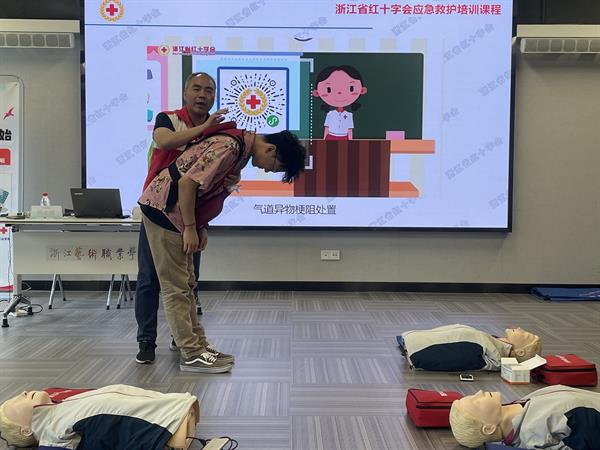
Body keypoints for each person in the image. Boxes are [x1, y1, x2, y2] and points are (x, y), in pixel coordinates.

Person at [138, 123, 306, 373]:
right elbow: (186, 184)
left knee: (187, 284)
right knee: (176, 288)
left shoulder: (240, 150)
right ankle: (191, 353)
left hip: (175, 213)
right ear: (271, 149)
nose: (268, 170)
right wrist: (191, 227)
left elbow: (205, 189)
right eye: (274, 167)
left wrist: (200, 226)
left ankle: (199, 345)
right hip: (164, 210)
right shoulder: (229, 147)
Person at [136, 71, 240, 365]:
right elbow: (164, 141)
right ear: (185, 92)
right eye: (196, 88)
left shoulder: (219, 134)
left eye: (208, 90)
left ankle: (182, 338)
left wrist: (202, 221)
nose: (202, 95)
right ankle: (146, 341)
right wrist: (205, 128)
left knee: (188, 281)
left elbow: (207, 181)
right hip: (158, 211)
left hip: (191, 215)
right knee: (149, 279)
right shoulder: (169, 118)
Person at [0, 384, 199, 449]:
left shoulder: (59, 401)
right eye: (17, 401)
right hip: (168, 426)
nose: (23, 392)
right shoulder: (52, 433)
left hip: (175, 406)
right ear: (25, 430)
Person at [449, 385, 600, 449]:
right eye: (476, 402)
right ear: (489, 428)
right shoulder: (536, 433)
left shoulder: (522, 404)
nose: (479, 392)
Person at [397, 325, 541, 372]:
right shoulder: (493, 344)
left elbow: (452, 357)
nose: (520, 329)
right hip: (412, 341)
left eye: (525, 336)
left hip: (414, 347)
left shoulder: (491, 352)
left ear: (520, 351)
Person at [312, 65, 367, 140]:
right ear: (317, 92)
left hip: (344, 137)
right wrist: (324, 140)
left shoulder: (349, 115)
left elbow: (350, 129)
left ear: (362, 90)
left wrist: (350, 141)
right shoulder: (330, 114)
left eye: (351, 88)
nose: (339, 93)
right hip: (330, 136)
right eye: (328, 89)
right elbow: (326, 128)